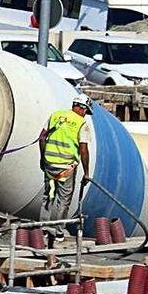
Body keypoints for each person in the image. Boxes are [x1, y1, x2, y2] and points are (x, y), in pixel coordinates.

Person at [38, 94, 92, 240]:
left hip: (50, 164)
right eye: (86, 110)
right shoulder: (81, 124)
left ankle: (43, 229)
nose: (85, 114)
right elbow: (83, 150)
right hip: (66, 168)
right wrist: (86, 173)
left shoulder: (56, 116)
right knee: (64, 200)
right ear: (82, 108)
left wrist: (43, 158)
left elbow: (42, 137)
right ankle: (58, 232)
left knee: (48, 195)